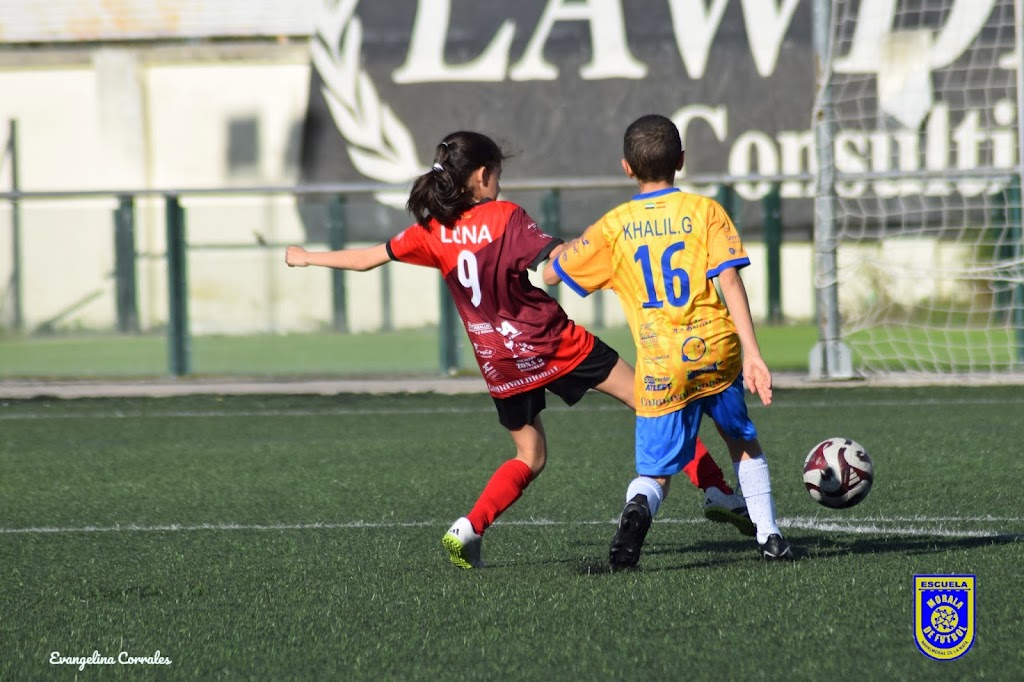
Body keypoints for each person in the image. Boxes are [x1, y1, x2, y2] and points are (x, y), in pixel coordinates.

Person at [285, 130, 750, 570]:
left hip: (499, 363)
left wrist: (307, 257)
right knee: (653, 402)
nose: (499, 183)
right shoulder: (505, 216)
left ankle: (469, 527)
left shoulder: (433, 229)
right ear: (483, 176)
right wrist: (593, 249)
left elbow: (369, 258)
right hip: (553, 343)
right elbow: (550, 259)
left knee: (530, 455)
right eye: (498, 175)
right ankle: (715, 490)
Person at [543, 114, 794, 568]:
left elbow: (551, 273)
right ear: (681, 159)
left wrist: (558, 251)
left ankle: (637, 511)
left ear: (626, 167)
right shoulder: (706, 211)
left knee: (654, 473)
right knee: (742, 443)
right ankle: (770, 535)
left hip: (661, 363)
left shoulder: (613, 226)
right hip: (717, 351)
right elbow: (731, 284)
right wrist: (754, 355)